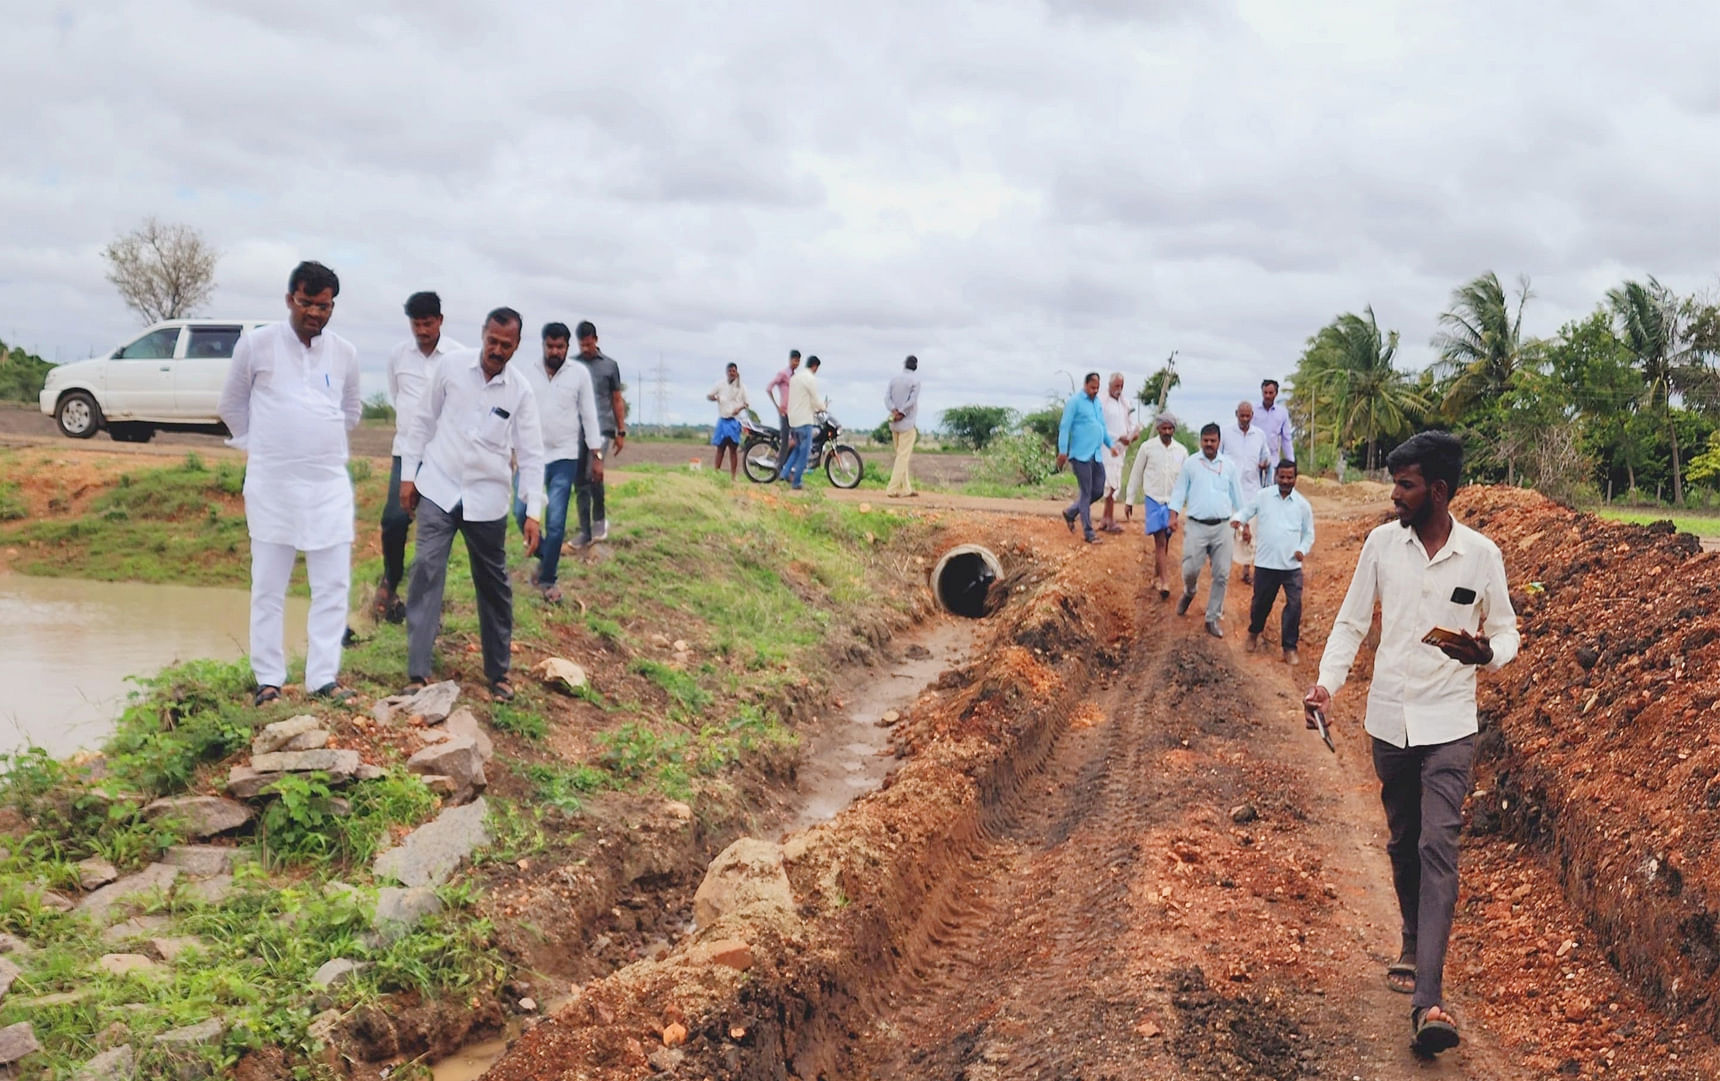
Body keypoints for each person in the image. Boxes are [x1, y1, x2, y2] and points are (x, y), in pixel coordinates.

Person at [1302, 431, 1519, 1057]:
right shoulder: (1379, 545)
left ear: (1439, 491)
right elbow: (1350, 621)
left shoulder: (1481, 555)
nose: (1395, 495)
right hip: (1389, 721)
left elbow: (1505, 631)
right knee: (1402, 839)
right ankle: (1409, 932)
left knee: (1437, 844)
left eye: (1406, 485)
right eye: (1396, 484)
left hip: (1451, 723)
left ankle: (1429, 1000)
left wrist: (1487, 653)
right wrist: (1326, 685)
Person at [217, 260, 361, 706]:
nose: (315, 313)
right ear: (289, 300)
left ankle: (323, 678)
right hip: (272, 486)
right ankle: (269, 680)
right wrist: (264, 447)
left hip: (328, 487)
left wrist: (313, 443)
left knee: (333, 585)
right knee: (268, 585)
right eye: (307, 303)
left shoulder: (345, 353)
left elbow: (351, 412)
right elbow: (232, 405)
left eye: (324, 305)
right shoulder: (256, 345)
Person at [398, 308, 546, 703]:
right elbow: (423, 423)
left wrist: (533, 512)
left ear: (516, 346)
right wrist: (408, 476)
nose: (497, 350)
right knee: (426, 569)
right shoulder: (450, 367)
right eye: (492, 341)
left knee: (493, 584)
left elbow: (532, 456)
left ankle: (498, 673)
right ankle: (417, 672)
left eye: (506, 345)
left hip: (487, 499)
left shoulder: (521, 392)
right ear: (483, 335)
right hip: (439, 487)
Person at [375, 292, 462, 623]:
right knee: (395, 520)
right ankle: (390, 579)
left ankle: (426, 603)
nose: (422, 330)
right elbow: (399, 399)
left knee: (433, 527)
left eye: (428, 323)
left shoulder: (458, 356)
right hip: (406, 451)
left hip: (443, 456)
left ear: (440, 320)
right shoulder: (398, 355)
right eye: (416, 324)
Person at [514, 322, 602, 601]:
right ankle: (548, 555)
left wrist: (596, 454)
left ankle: (548, 579)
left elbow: (589, 415)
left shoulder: (579, 375)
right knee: (521, 513)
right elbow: (514, 412)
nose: (555, 351)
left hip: (565, 457)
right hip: (531, 457)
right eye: (550, 346)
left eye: (560, 346)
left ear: (567, 346)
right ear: (543, 345)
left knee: (555, 520)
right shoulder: (526, 373)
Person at [1166, 422, 1245, 637]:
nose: (1209, 444)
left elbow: (1238, 498)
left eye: (1213, 441)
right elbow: (1179, 491)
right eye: (1206, 441)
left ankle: (1212, 618)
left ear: (1219, 442)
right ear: (1201, 441)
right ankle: (1189, 592)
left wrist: (1243, 522)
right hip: (1196, 526)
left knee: (1221, 574)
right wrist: (1173, 516)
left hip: (1223, 527)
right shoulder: (1191, 464)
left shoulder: (1228, 466)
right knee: (1190, 569)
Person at [1233, 459, 1315, 664]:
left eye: (1290, 477)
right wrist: (1238, 519)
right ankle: (1254, 632)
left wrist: (1301, 549)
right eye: (1282, 476)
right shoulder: (1263, 497)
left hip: (1291, 566)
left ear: (1296, 478)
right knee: (1261, 603)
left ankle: (1289, 647)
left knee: (1294, 605)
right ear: (1275, 476)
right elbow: (1246, 511)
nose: (1286, 481)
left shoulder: (1303, 505)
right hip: (1265, 563)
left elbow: (1308, 534)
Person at [1124, 412, 1188, 598]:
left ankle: (1156, 573)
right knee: (1159, 539)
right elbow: (1136, 474)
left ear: (1174, 429)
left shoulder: (1181, 451)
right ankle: (1165, 581)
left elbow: (1187, 478)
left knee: (1165, 539)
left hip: (1172, 502)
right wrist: (1129, 500)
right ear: (1158, 428)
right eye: (1164, 428)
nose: (1167, 432)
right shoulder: (1147, 448)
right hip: (1153, 499)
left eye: (1170, 428)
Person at [572, 321, 625, 544]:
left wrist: (621, 430)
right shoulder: (572, 366)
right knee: (579, 480)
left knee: (594, 472)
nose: (585, 349)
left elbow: (616, 399)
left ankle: (599, 521)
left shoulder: (610, 366)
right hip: (577, 429)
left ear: (596, 340)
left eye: (588, 344)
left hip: (603, 427)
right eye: (581, 345)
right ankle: (585, 530)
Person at [1055, 372, 1113, 545]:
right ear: (1085, 385)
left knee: (1098, 490)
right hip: (1080, 455)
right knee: (1086, 492)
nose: (1095, 391)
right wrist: (1062, 450)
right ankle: (1089, 533)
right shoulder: (1075, 402)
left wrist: (1111, 446)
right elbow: (1064, 426)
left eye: (1097, 388)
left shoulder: (1097, 403)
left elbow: (1101, 426)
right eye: (1092, 387)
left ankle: (1071, 512)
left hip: (1095, 454)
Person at [1221, 400, 1271, 586]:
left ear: (1252, 416)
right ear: (1236, 414)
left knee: (1251, 530)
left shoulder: (1259, 435)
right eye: (1241, 415)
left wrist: (1264, 463)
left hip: (1251, 489)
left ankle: (1246, 570)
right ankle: (1223, 568)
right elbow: (1217, 457)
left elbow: (1266, 456)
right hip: (1228, 490)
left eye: (1247, 416)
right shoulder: (1226, 433)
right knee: (1228, 530)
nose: (1244, 419)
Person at [1098, 372, 1139, 533]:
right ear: (1109, 385)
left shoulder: (1125, 403)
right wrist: (1117, 438)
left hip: (1121, 450)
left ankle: (1106, 519)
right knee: (1109, 483)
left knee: (1115, 483)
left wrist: (1132, 435)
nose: (1119, 389)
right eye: (1116, 386)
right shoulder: (1102, 403)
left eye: (1121, 386)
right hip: (1107, 448)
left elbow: (1132, 425)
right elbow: (1100, 426)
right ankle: (1108, 519)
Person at [781, 355, 825, 489]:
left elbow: (801, 398)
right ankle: (796, 482)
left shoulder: (795, 378)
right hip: (804, 421)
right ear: (815, 366)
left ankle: (785, 472)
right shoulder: (810, 379)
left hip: (793, 420)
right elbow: (815, 398)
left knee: (797, 450)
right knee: (804, 455)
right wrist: (823, 407)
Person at [884, 355, 922, 498]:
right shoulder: (915, 381)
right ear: (916, 366)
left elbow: (887, 398)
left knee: (901, 456)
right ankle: (891, 489)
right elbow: (912, 401)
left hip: (894, 422)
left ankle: (906, 488)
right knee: (902, 457)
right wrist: (902, 412)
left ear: (904, 364)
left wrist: (894, 411)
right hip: (907, 423)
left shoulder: (894, 379)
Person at [707, 362, 750, 479]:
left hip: (734, 421)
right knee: (720, 448)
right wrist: (716, 398)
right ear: (727, 372)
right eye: (730, 371)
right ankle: (716, 473)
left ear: (736, 372)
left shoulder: (741, 387)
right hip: (723, 419)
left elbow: (746, 403)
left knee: (733, 449)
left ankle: (733, 476)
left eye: (734, 371)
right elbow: (709, 395)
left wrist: (739, 408)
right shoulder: (720, 384)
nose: (732, 373)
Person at [766, 349, 801, 472]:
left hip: (793, 413)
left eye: (798, 361)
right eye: (795, 360)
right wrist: (777, 406)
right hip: (784, 413)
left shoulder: (794, 376)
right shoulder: (783, 374)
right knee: (786, 441)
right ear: (790, 360)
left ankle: (783, 463)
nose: (796, 363)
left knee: (797, 440)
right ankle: (779, 467)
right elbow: (769, 388)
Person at [1257, 378, 1296, 467]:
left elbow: (1286, 439)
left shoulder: (1282, 413)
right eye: (1265, 392)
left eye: (1271, 393)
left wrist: (1291, 462)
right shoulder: (1253, 411)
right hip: (1255, 459)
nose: (1267, 396)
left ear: (1276, 393)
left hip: (1273, 460)